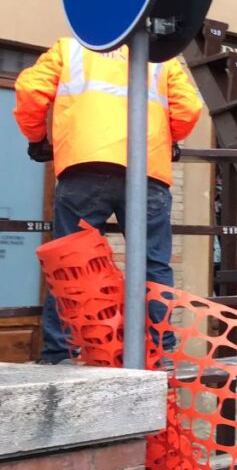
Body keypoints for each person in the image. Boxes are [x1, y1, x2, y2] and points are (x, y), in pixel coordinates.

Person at [14, 37, 204, 365]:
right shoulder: (161, 58)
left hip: (85, 166)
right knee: (152, 264)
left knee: (69, 263)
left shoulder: (69, 49)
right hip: (147, 169)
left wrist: (36, 138)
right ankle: (158, 348)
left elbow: (31, 92)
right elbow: (189, 108)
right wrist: (171, 137)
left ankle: (60, 352)